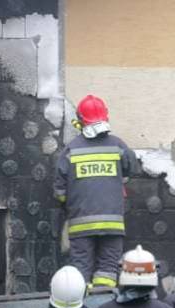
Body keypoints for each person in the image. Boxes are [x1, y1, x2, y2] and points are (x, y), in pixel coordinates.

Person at [54, 94, 139, 288]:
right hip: (112, 223)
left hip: (80, 225)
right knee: (108, 270)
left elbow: (60, 192)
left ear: (80, 121)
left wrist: (69, 202)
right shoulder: (118, 146)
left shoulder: (71, 150)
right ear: (106, 117)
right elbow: (131, 170)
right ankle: (102, 306)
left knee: (81, 272)